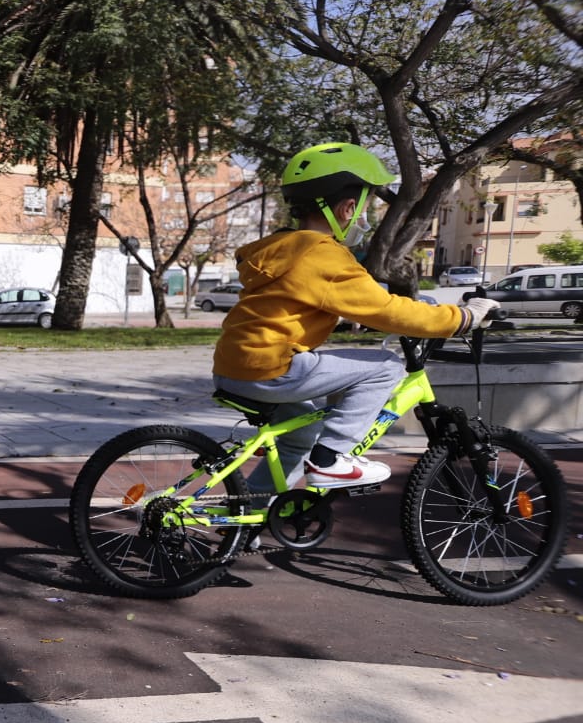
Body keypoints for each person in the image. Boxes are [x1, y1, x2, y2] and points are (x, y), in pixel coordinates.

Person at [213, 142, 499, 491]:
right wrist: (461, 318)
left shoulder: (283, 247)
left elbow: (287, 303)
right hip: (271, 368)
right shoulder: (323, 255)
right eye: (366, 208)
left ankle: (249, 522)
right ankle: (331, 461)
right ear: (349, 207)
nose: (365, 217)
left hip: (234, 365)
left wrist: (340, 315)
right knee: (386, 367)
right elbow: (386, 310)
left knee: (299, 437)